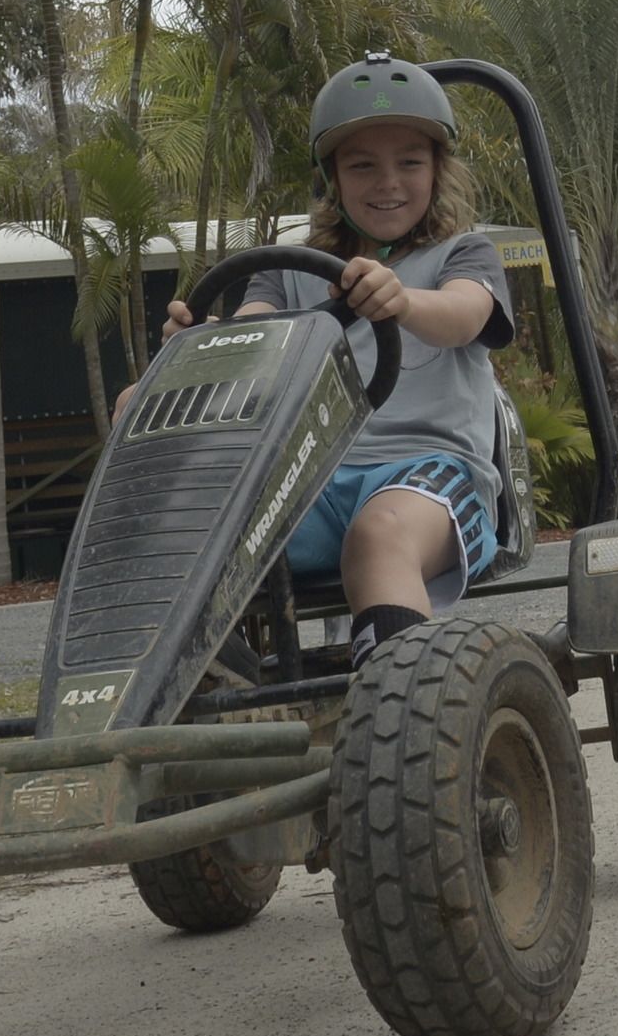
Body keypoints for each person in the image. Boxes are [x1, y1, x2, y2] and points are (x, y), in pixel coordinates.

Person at [157, 55, 513, 665]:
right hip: (309, 482)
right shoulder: (285, 271)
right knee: (195, 540)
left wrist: (401, 300)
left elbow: (463, 316)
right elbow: (249, 338)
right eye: (362, 165)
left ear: (437, 170)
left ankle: (399, 705)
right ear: (332, 180)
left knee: (377, 535)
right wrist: (200, 343)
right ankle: (225, 691)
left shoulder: (464, 255)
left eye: (409, 162)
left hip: (431, 480)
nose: (388, 183)